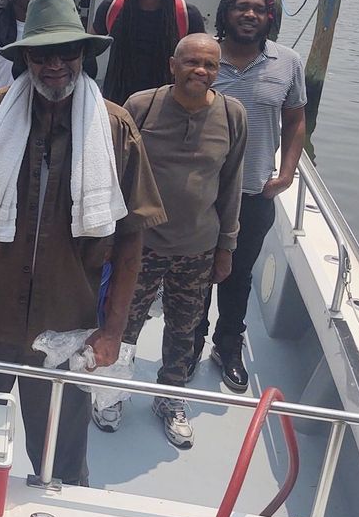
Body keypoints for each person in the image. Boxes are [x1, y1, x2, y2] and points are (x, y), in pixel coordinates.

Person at [0, 0, 166, 485]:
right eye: (41, 54)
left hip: (65, 325)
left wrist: (112, 332)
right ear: (24, 57)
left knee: (60, 458)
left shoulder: (115, 128)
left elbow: (132, 241)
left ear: (83, 56)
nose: (54, 65)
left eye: (66, 52)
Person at [90, 34, 247, 446]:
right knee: (123, 322)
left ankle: (170, 397)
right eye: (192, 62)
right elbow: (112, 172)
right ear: (172, 65)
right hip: (140, 244)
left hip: (198, 247)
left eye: (210, 66)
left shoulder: (233, 115)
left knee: (184, 328)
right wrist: (107, 235)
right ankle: (111, 393)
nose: (201, 71)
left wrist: (227, 246)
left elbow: (232, 185)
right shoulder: (141, 106)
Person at [195, 0, 306, 393]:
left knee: (238, 276)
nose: (249, 15)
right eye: (241, 7)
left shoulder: (288, 62)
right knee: (197, 273)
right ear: (226, 12)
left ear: (269, 16)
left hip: (255, 194)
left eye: (258, 9)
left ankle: (227, 345)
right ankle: (191, 340)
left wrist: (288, 172)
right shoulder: (203, 57)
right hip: (202, 193)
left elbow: (295, 121)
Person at [92, 0, 206, 107]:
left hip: (166, 110)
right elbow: (88, 53)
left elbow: (200, 65)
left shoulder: (187, 14)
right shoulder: (112, 7)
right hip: (117, 106)